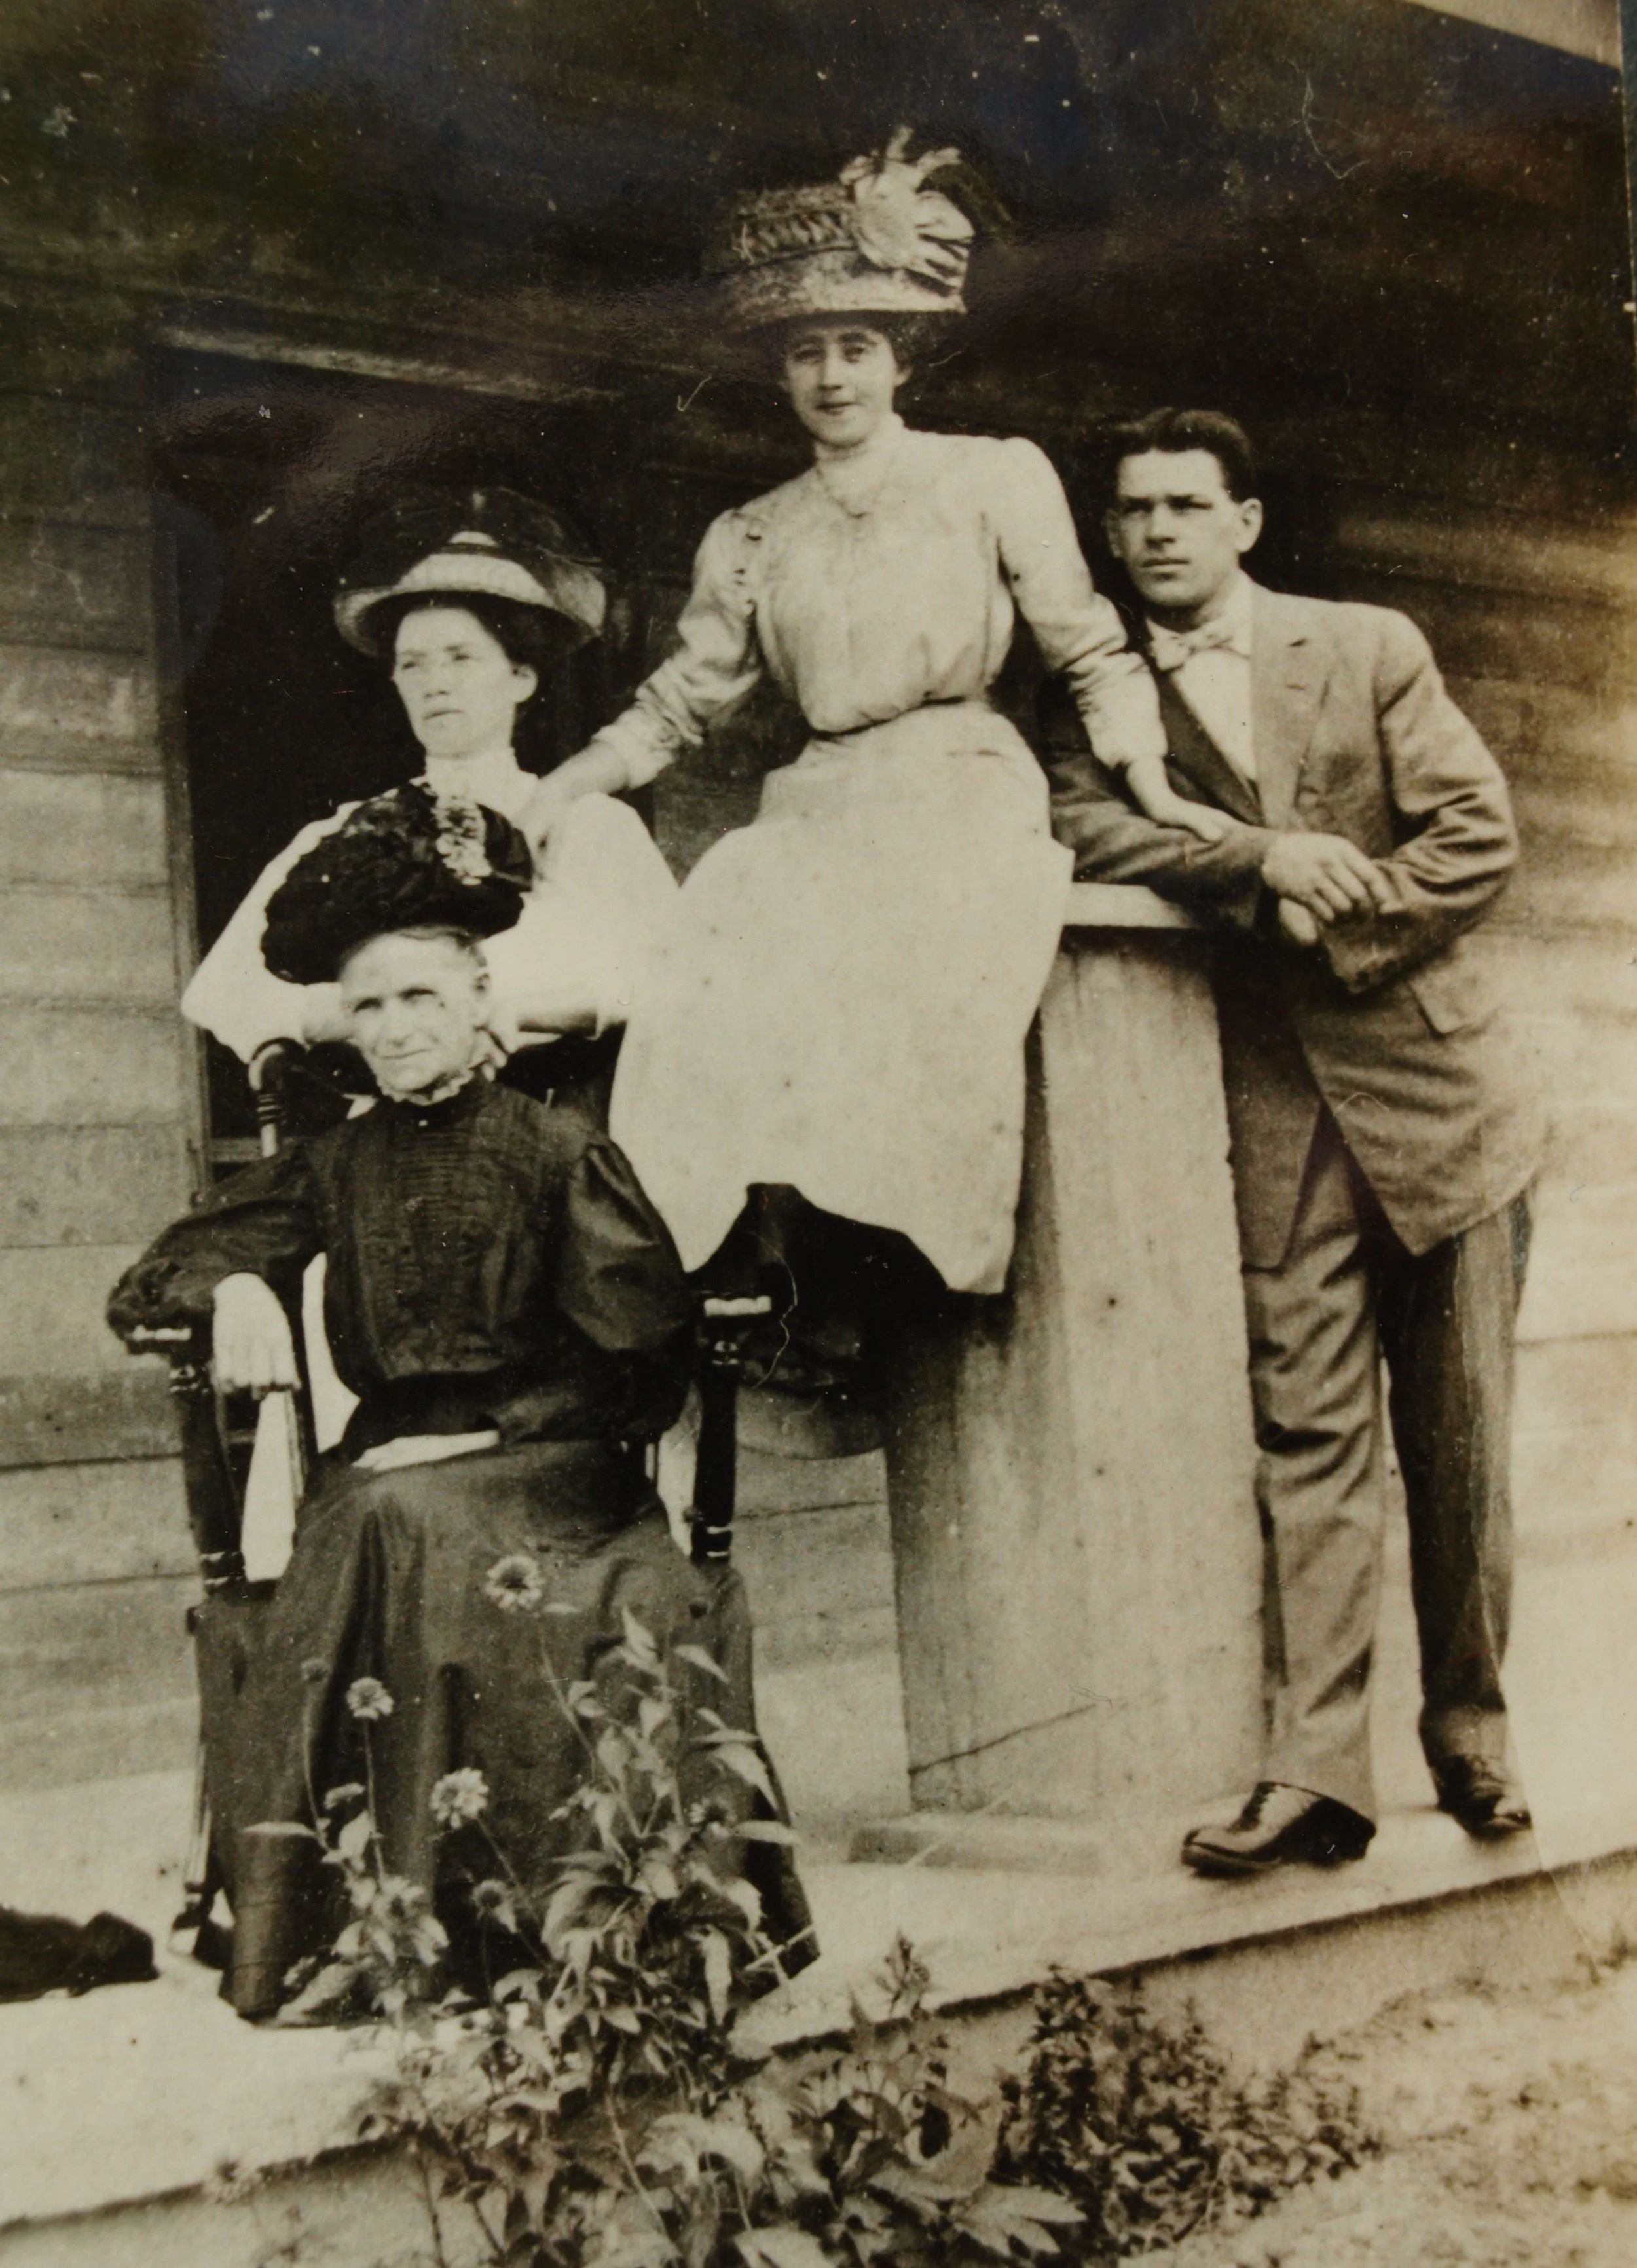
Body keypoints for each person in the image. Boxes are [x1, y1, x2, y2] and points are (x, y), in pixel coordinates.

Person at [109, 785, 811, 2017]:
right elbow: (159, 1270)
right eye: (368, 1005)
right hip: (392, 1468)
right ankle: (371, 1929)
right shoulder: (334, 1161)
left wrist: (498, 1427)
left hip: (559, 1470)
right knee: (376, 1508)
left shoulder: (555, 1150)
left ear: (481, 1000)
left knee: (400, 1515)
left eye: (420, 996)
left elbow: (641, 1361)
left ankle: (537, 1926)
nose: (391, 1026)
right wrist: (236, 1293)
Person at [517, 132, 1216, 1316]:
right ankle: (748, 1255)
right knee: (721, 919)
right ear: (780, 374)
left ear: (902, 361)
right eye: (805, 354)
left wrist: (1151, 781)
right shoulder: (750, 530)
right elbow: (684, 697)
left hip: (958, 774)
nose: (832, 376)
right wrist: (568, 782)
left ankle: (893, 1252)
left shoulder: (992, 476)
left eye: (857, 347)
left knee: (914, 953)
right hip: (818, 793)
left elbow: (1088, 643)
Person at [1046, 407, 1545, 1876]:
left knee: (1456, 1442)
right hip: (1273, 1110)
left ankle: (1468, 1730)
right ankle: (1316, 1776)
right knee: (1306, 1438)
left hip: (1444, 1097)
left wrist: (1340, 915)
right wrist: (1259, 859)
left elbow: (1474, 839)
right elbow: (1088, 827)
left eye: (1185, 505)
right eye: (1131, 509)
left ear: (1242, 523)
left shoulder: (1365, 644)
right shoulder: (1091, 698)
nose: (1154, 532)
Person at [183, 487, 677, 1122]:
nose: (435, 682)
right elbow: (228, 990)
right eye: (412, 664)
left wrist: (518, 1011)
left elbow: (667, 982)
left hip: (564, 1121)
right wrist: (358, 1016)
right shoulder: (350, 831)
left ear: (521, 677)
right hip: (393, 1131)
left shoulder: (592, 824)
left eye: (461, 657)